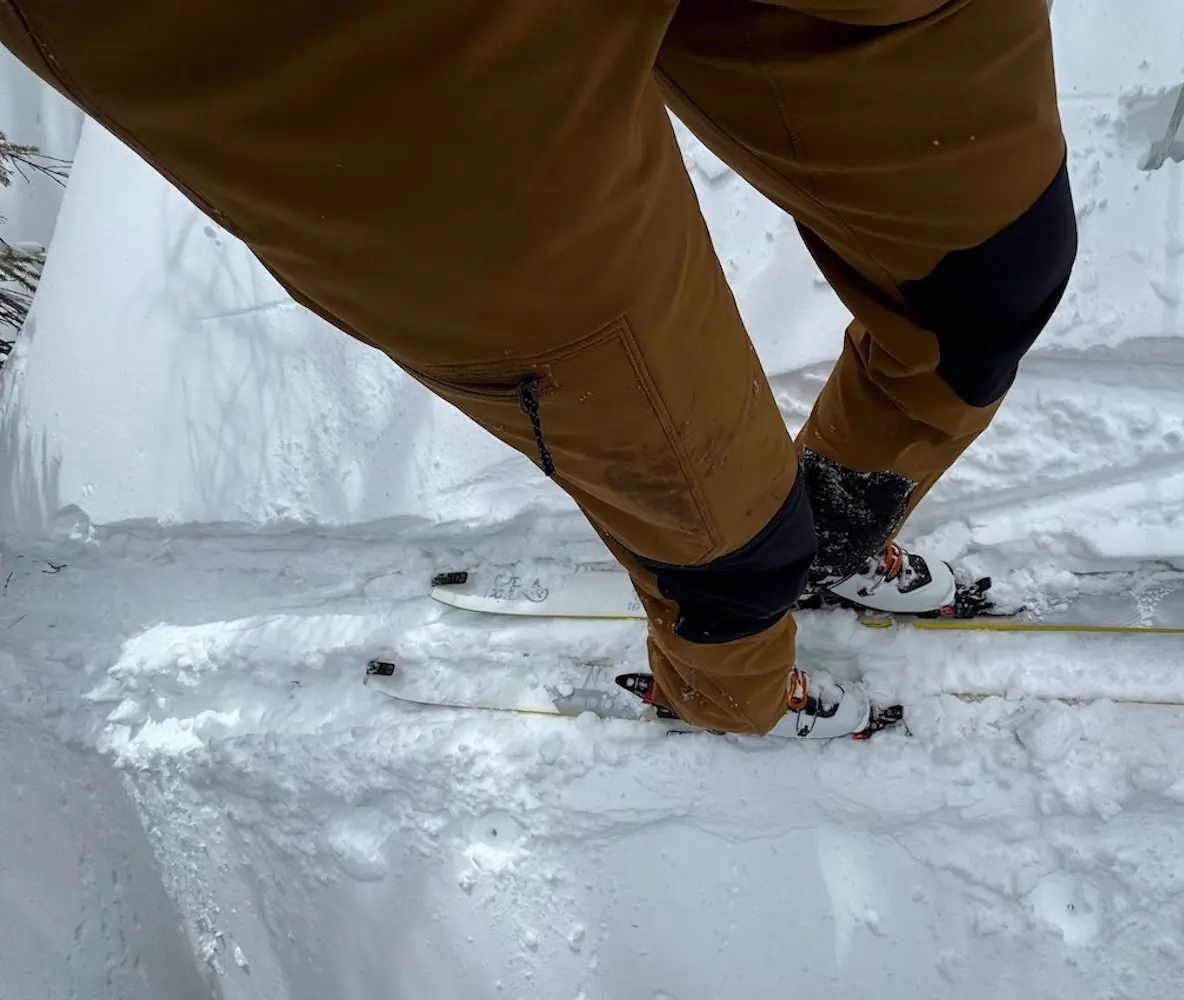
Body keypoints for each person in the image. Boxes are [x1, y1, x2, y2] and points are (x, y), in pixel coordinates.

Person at [0, 0, 1075, 738]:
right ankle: (734, 693)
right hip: (391, 44)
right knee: (710, 505)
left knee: (991, 272)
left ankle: (832, 530)